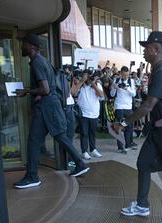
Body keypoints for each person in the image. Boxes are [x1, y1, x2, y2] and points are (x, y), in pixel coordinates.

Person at [113, 31, 162, 223]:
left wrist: (123, 123)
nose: (143, 51)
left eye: (146, 47)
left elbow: (148, 105)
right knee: (143, 163)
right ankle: (142, 205)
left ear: (156, 50)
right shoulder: (157, 71)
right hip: (159, 129)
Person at [13, 34, 89, 189]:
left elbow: (45, 89)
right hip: (50, 106)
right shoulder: (43, 61)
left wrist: (26, 91)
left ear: (32, 47)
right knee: (59, 136)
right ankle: (80, 163)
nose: (22, 46)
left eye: (24, 44)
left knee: (34, 141)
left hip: (45, 108)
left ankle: (32, 176)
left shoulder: (37, 63)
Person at [73, 71, 104, 160]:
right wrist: (82, 81)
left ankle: (93, 149)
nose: (88, 79)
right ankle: (84, 151)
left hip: (94, 114)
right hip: (83, 114)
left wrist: (93, 84)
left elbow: (101, 95)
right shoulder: (80, 85)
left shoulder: (97, 84)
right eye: (87, 77)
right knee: (84, 133)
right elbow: (74, 93)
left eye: (90, 77)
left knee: (92, 133)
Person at [110, 66, 137, 154]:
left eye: (127, 75)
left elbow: (134, 94)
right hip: (119, 107)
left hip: (128, 107)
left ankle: (128, 145)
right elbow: (112, 94)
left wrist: (127, 88)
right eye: (124, 75)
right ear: (121, 73)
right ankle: (120, 147)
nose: (126, 77)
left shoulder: (131, 81)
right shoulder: (116, 80)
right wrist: (114, 88)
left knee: (129, 126)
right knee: (119, 127)